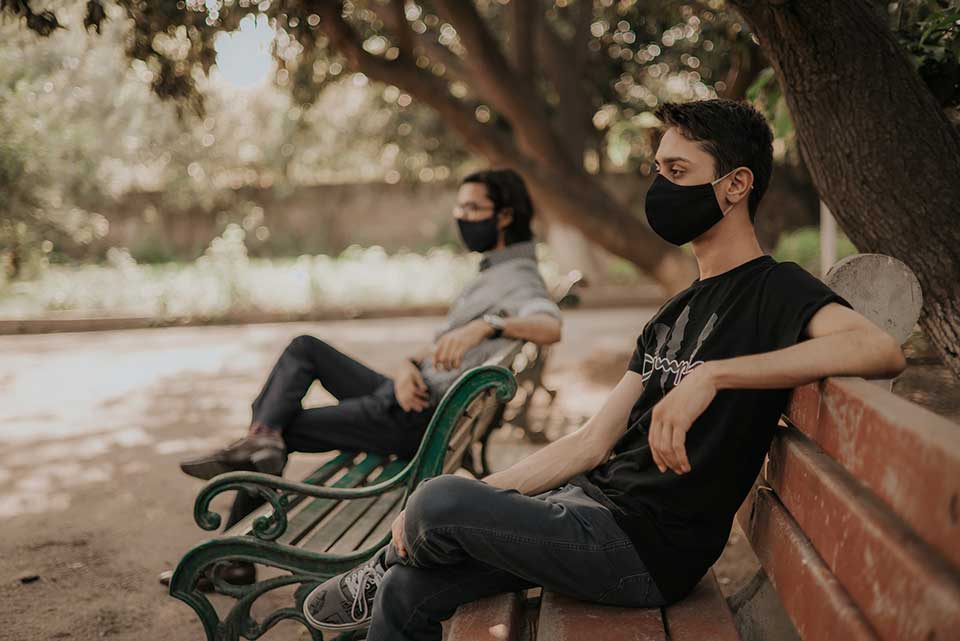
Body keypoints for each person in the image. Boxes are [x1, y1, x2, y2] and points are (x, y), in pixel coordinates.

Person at [300, 98, 908, 640]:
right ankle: (390, 566)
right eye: (657, 170)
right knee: (410, 588)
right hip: (587, 513)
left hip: (644, 551)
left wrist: (715, 375)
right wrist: (478, 498)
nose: (660, 186)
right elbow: (590, 442)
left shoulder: (775, 290)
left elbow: (878, 348)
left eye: (678, 171)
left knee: (436, 503)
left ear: (735, 185)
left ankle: (383, 559)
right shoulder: (675, 312)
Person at [170, 168, 563, 590]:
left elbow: (550, 323)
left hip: (417, 419)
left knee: (280, 422)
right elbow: (438, 348)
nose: (461, 216)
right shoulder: (494, 271)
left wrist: (487, 325)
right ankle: (262, 440)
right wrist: (404, 369)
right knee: (305, 348)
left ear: (504, 216)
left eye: (472, 208)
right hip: (413, 394)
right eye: (459, 206)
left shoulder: (518, 274)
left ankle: (239, 537)